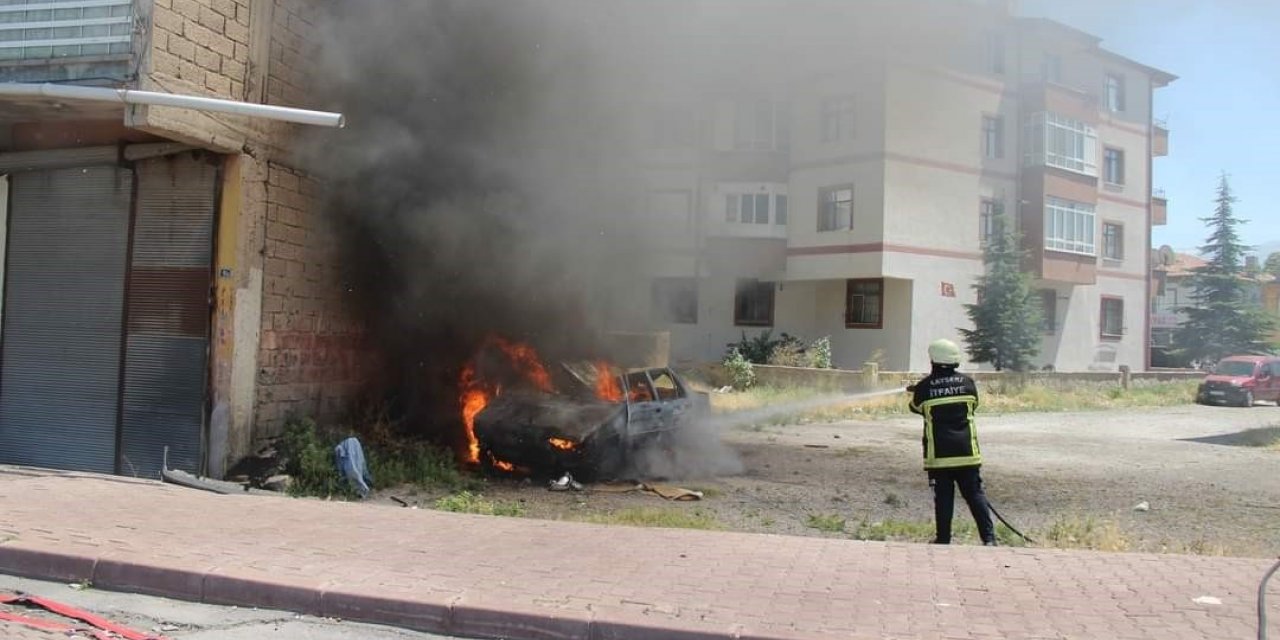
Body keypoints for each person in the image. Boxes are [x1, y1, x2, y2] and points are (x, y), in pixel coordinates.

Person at [908, 338, 996, 546]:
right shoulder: (968, 383)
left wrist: (920, 389)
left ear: (933, 360)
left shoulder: (924, 387)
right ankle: (989, 539)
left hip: (940, 457)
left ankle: (943, 539)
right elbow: (973, 406)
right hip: (967, 453)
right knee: (975, 495)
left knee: (944, 498)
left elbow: (915, 408)